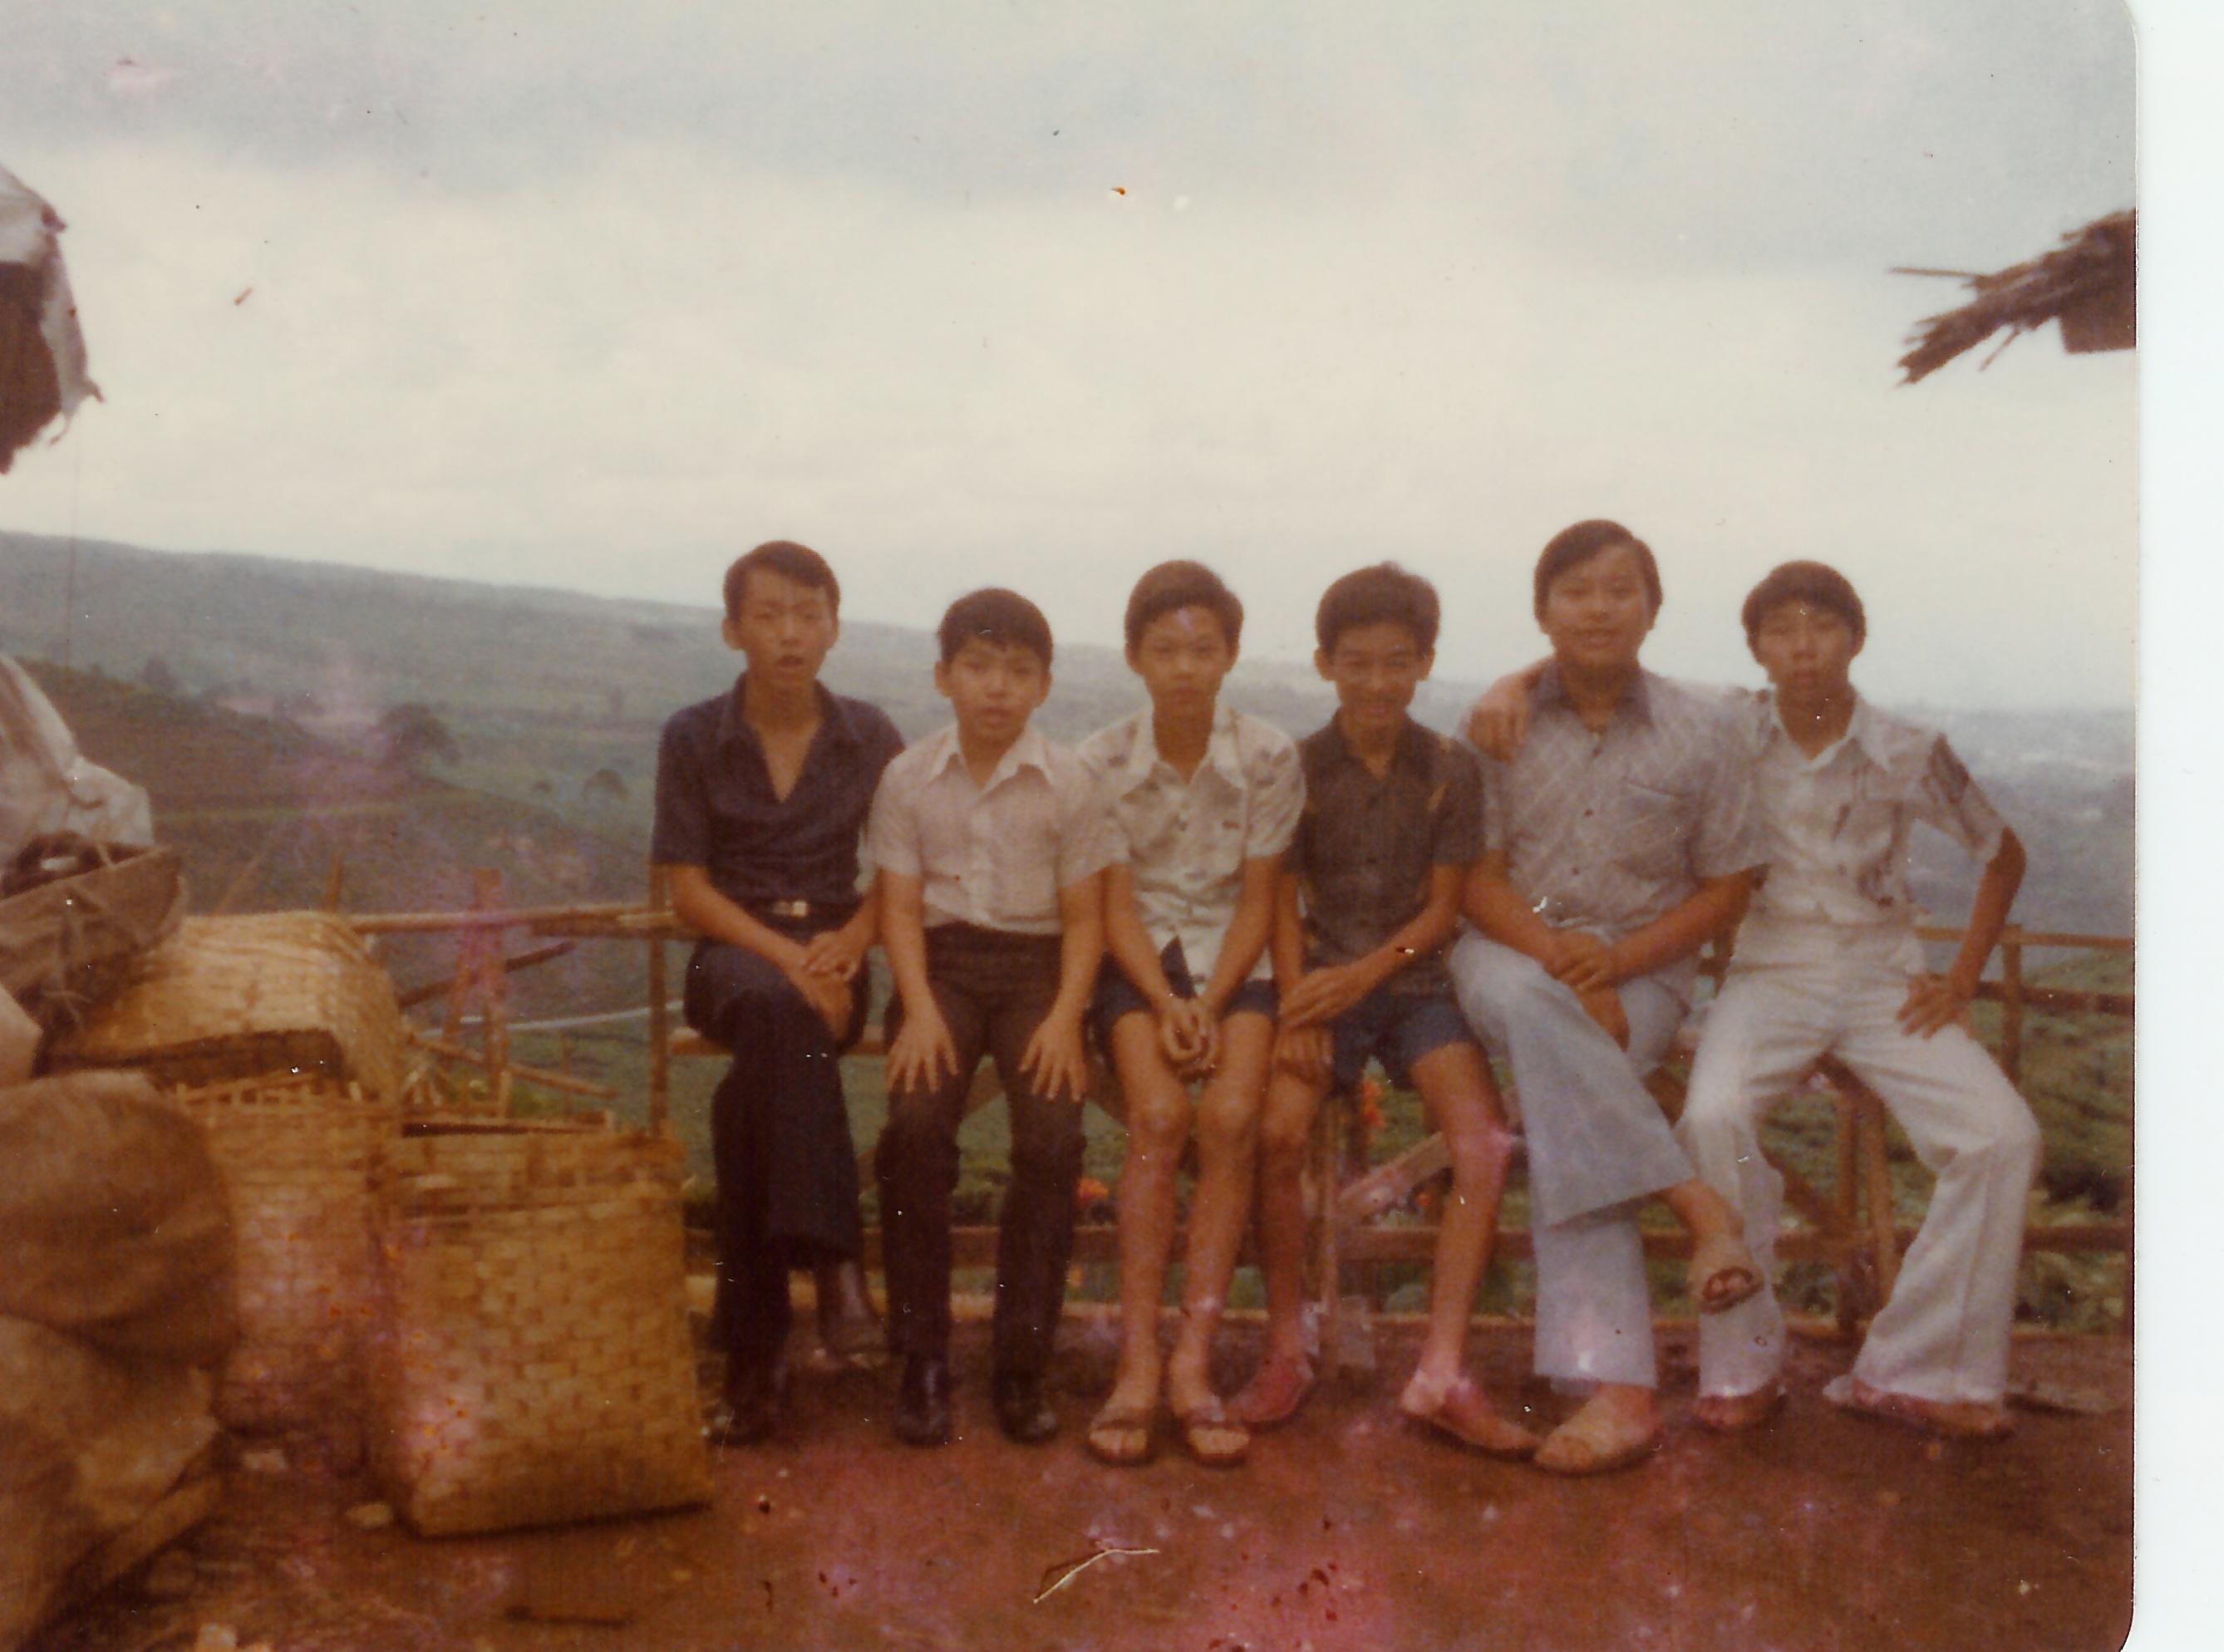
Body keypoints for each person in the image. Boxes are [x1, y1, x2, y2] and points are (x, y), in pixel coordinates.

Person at [1674, 562, 2040, 1438]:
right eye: (1781, 630)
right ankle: (1743, 1365)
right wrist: (1515, 677)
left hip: (1883, 973)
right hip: (1770, 969)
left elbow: (2004, 852)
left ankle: (1919, 1370)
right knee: (1712, 1115)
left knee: (2002, 1134)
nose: (1803, 647)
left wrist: (1959, 978)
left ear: (1856, 637)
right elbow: (1622, 682)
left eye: (1823, 626)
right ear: (1756, 647)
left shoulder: (1907, 747)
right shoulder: (1729, 727)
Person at [1446, 519, 1764, 1475]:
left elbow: (1726, 887)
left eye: (1620, 588)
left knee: (1568, 1084)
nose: (1598, 606)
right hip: (1508, 954)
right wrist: (1566, 962)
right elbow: (1478, 880)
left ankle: (1620, 1389)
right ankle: (1697, 1209)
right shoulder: (1498, 721)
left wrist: (1615, 964)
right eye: (1576, 589)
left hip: (1644, 970)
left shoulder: (1708, 730)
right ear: (1542, 610)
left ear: (1653, 608)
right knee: (1563, 1034)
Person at [1237, 563, 1535, 1456]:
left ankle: (1443, 1366)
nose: (1377, 682)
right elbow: (1282, 900)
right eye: (1357, 662)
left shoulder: (1449, 768)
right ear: (1326, 662)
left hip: (1408, 983)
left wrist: (1362, 976)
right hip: (1319, 984)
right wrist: (1298, 1008)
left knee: (1481, 1143)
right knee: (1279, 1131)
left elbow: (1443, 911)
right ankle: (1288, 1344)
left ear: (1426, 663)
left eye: (1397, 663)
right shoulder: (1296, 767)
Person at [650, 540, 903, 1444]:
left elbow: (902, 874)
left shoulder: (869, 736)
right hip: (734, 955)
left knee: (745, 1107)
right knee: (768, 1005)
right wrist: (787, 960)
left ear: (833, 625)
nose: (790, 633)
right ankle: (835, 1263)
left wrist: (848, 944)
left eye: (808, 614)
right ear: (733, 629)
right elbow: (687, 889)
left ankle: (755, 1372)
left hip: (837, 951)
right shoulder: (692, 736)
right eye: (769, 614)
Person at [865, 588, 1114, 1447]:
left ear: (1044, 683)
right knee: (916, 1127)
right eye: (977, 666)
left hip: (1040, 970)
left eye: (1016, 670)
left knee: (1051, 1137)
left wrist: (1065, 1017)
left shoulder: (1072, 781)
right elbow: (897, 909)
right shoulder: (907, 776)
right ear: (944, 676)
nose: (996, 688)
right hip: (938, 966)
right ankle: (923, 1356)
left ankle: (1022, 1362)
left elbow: (1086, 918)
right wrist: (921, 1009)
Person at [1075, 562, 1301, 1468]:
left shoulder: (1267, 756)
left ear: (1231, 655)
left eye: (1203, 648)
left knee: (1234, 1117)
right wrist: (1168, 1000)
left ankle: (1194, 1362)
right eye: (1164, 648)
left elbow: (1258, 900)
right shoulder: (1101, 761)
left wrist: (1209, 1001)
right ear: (1135, 656)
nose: (1184, 666)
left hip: (1234, 963)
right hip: (1138, 962)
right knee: (1161, 1118)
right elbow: (1117, 905)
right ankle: (1136, 1360)